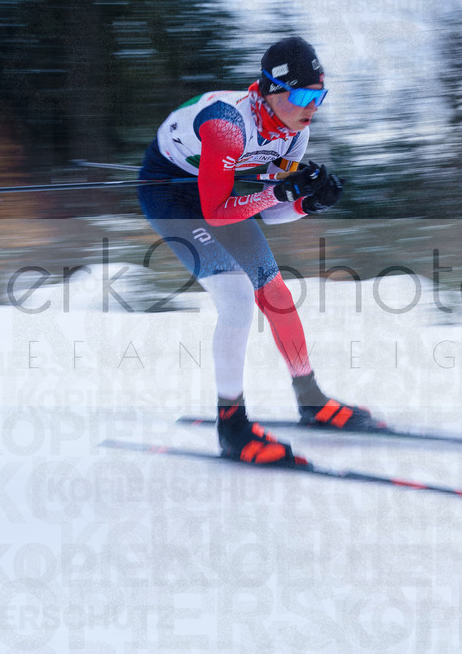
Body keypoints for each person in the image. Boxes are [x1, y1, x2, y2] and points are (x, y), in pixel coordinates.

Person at [137, 36, 379, 465]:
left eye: (319, 95)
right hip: (172, 196)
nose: (313, 107)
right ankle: (232, 427)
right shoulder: (228, 124)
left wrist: (307, 203)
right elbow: (216, 214)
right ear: (270, 90)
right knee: (236, 301)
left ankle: (310, 398)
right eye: (304, 95)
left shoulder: (294, 134)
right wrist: (279, 193)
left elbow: (271, 212)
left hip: (220, 195)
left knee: (276, 294)